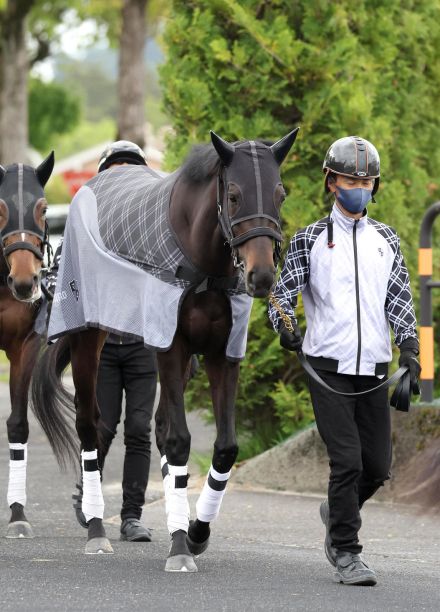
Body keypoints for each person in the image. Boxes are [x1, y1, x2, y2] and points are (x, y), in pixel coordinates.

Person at [268, 135, 421, 586]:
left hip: (373, 369)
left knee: (377, 467)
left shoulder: (386, 240)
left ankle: (338, 508)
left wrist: (410, 352)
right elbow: (281, 294)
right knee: (349, 461)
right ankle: (347, 552)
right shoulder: (310, 239)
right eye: (350, 179)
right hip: (327, 367)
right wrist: (287, 327)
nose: (359, 186)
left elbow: (401, 302)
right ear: (331, 182)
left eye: (367, 180)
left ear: (376, 186)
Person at [47, 140, 157, 542]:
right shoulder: (85, 222)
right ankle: (88, 492)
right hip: (103, 347)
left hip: (144, 344)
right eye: (116, 168)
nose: (122, 175)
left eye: (131, 168)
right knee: (102, 425)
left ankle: (132, 516)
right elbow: (64, 277)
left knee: (141, 429)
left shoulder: (151, 229)